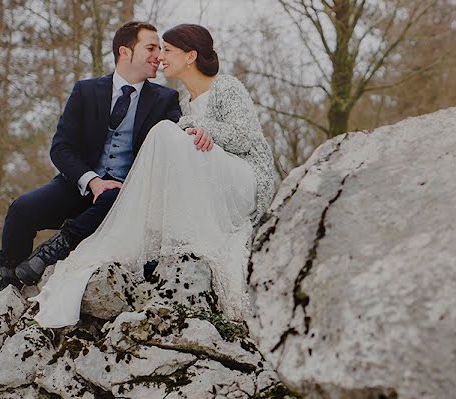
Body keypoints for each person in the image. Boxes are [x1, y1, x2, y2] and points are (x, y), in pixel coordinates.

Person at [30, 24, 276, 328]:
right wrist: (191, 132)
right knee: (168, 135)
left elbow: (245, 138)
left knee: (164, 132)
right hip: (214, 188)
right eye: (157, 49)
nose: (160, 57)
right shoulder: (183, 102)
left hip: (247, 179)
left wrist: (202, 131)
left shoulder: (226, 86)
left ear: (190, 56)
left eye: (167, 50)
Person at [0, 21, 188, 292]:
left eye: (159, 49)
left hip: (125, 195)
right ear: (125, 51)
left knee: (112, 197)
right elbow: (61, 148)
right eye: (151, 48)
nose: (159, 55)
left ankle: (53, 251)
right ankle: (9, 281)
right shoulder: (85, 91)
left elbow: (175, 145)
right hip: (79, 185)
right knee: (21, 209)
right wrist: (93, 181)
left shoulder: (166, 99)